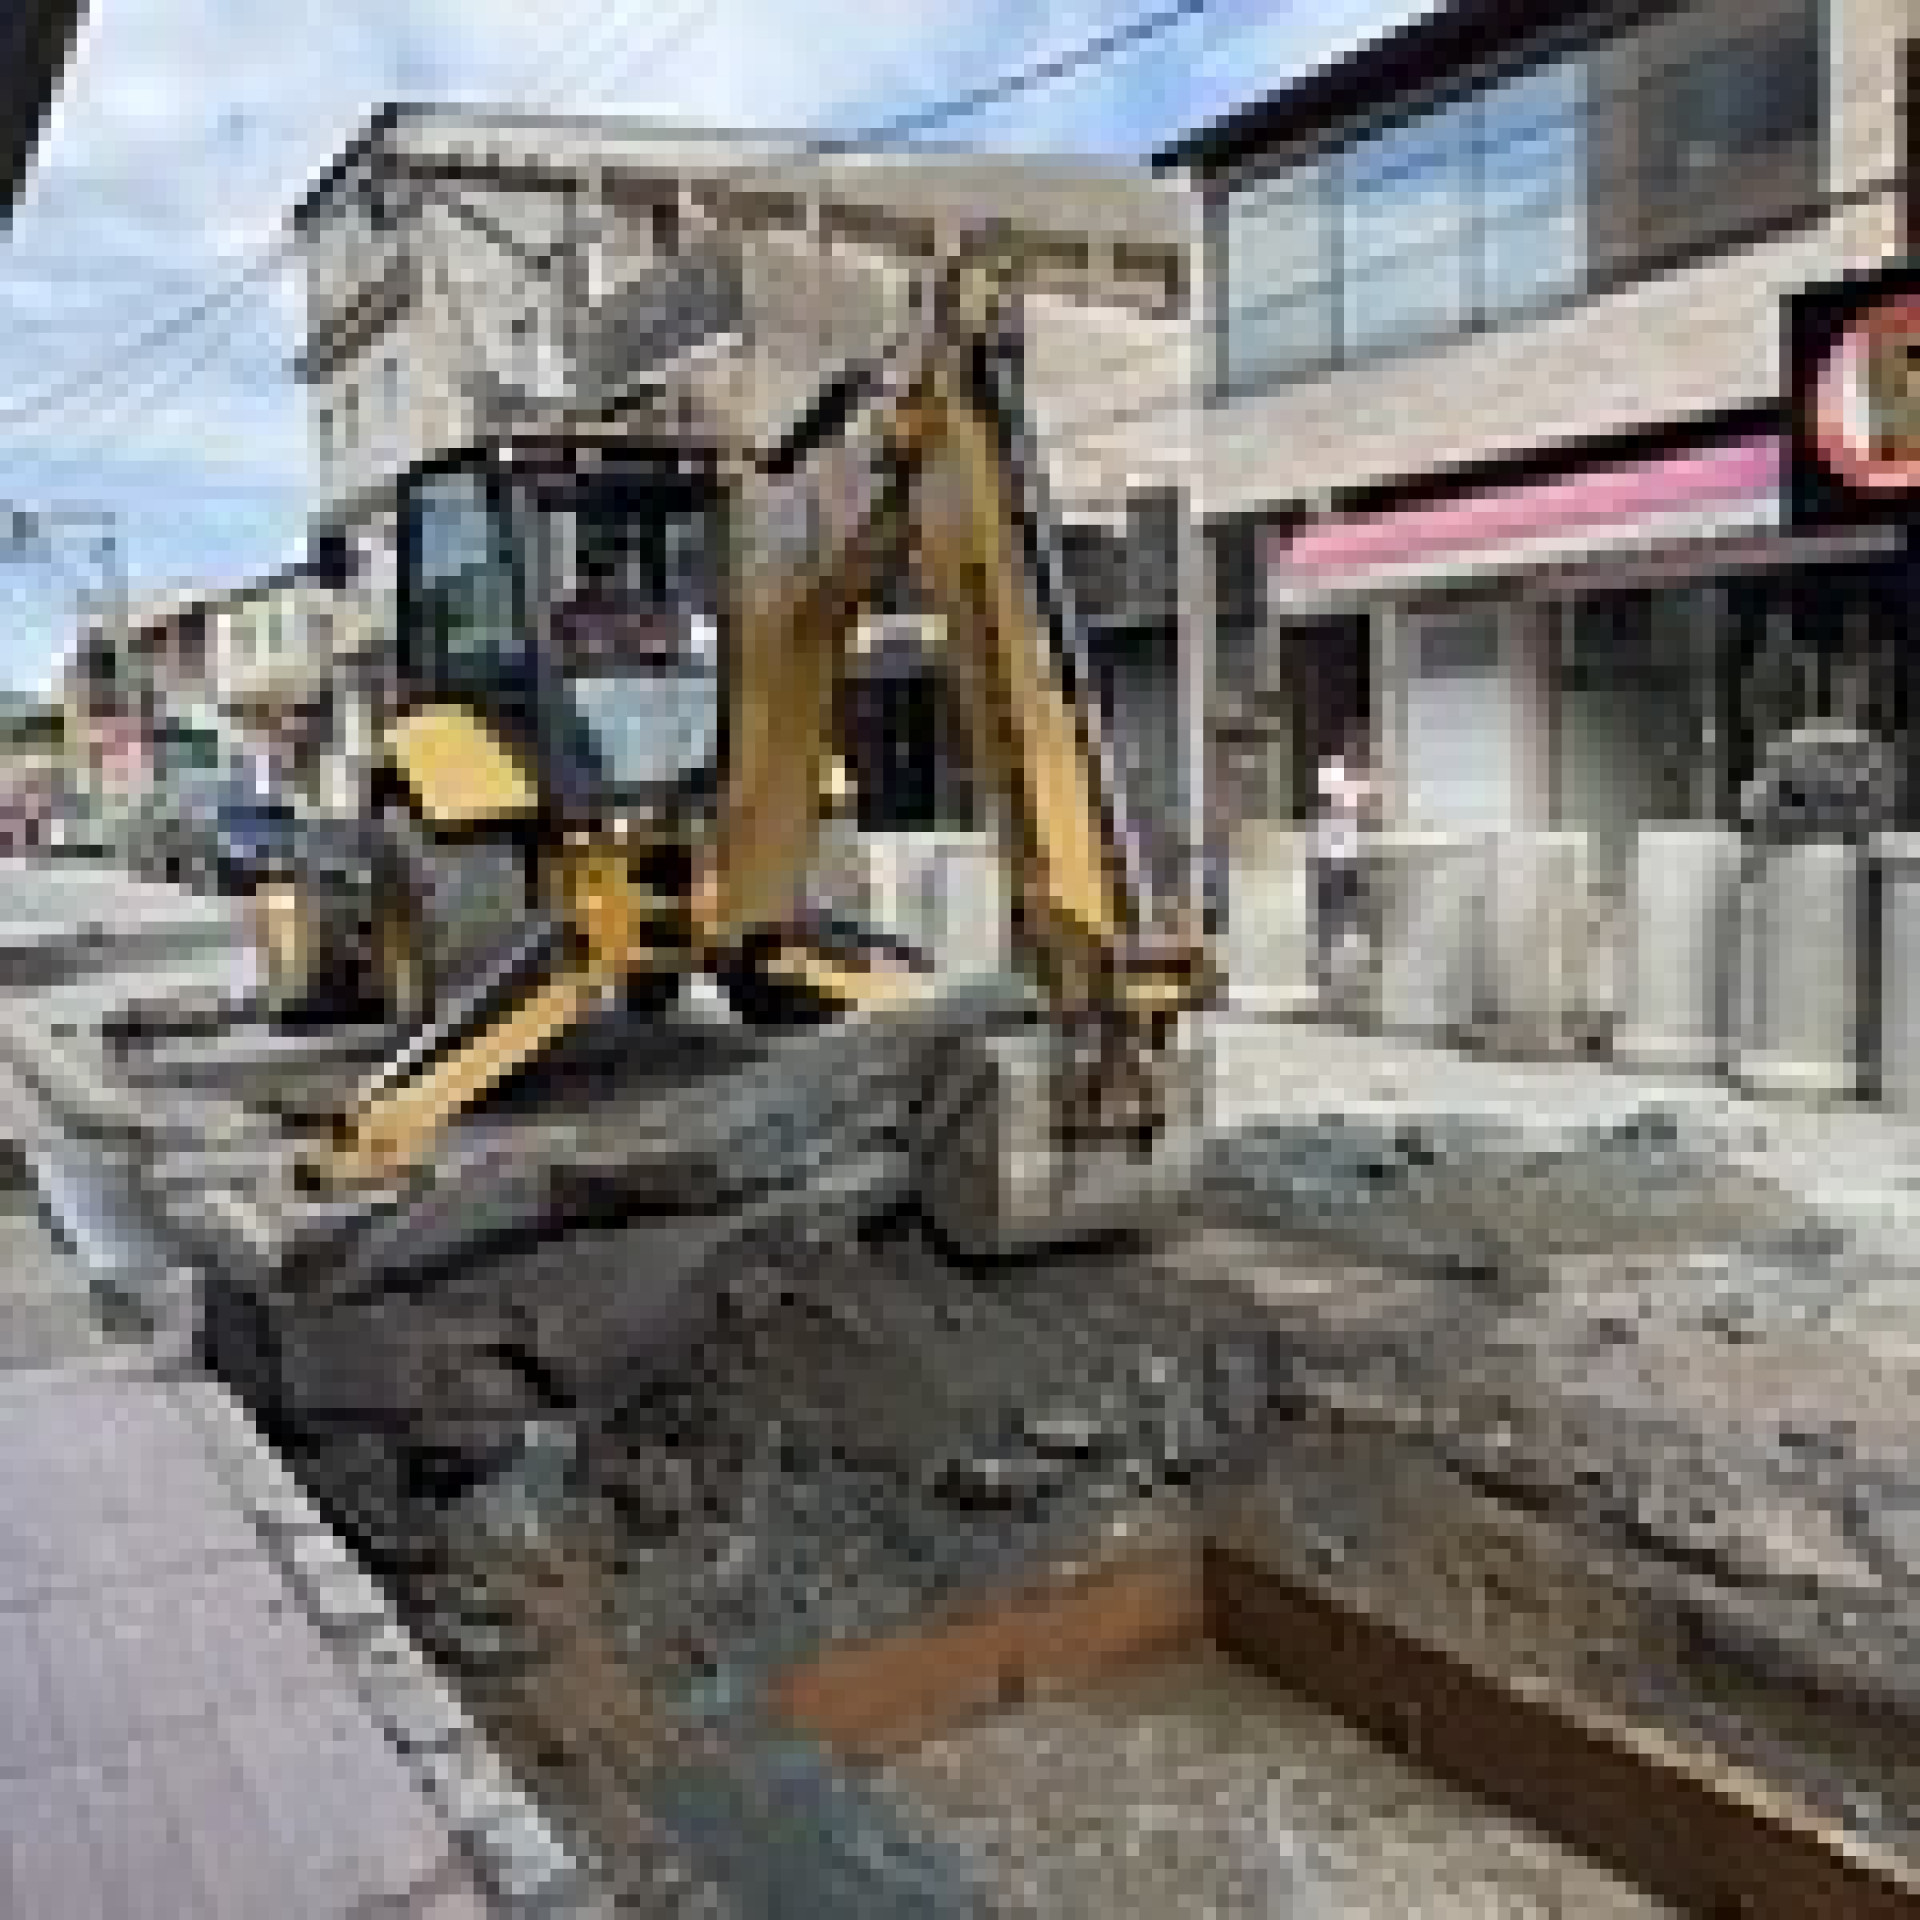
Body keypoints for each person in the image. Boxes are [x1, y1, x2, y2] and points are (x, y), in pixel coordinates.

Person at [1313, 722, 1378, 990]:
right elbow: (1356, 807)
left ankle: (1352, 968)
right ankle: (1325, 969)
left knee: (1354, 912)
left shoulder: (1362, 775)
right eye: (1356, 744)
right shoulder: (1333, 770)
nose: (1359, 749)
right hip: (1331, 854)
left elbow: (1367, 809)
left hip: (1352, 855)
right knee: (1330, 913)